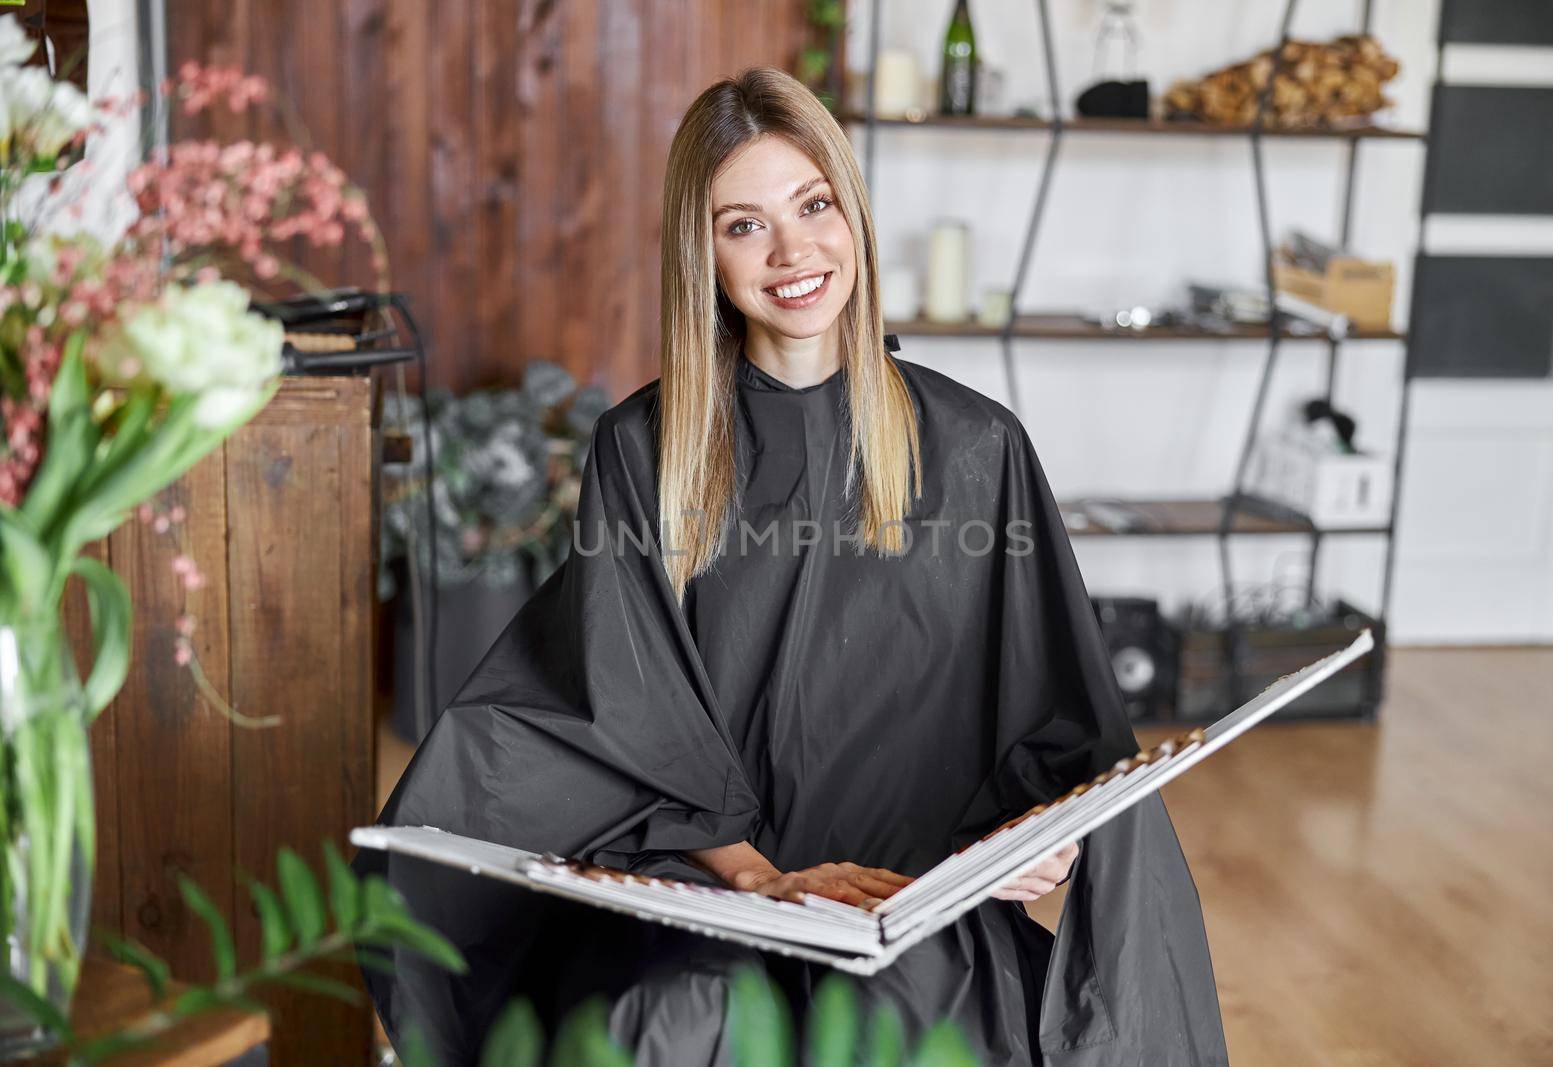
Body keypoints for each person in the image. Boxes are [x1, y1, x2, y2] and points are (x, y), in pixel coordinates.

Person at [353, 66, 1227, 1065]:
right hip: (714, 889)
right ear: (704, 254)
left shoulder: (978, 447)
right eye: (742, 224)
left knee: (912, 1021)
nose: (791, 251)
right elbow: (631, 714)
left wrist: (1039, 838)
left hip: (907, 898)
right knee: (678, 1017)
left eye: (812, 204)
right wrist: (759, 879)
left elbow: (1061, 725)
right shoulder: (641, 450)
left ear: (851, 211)